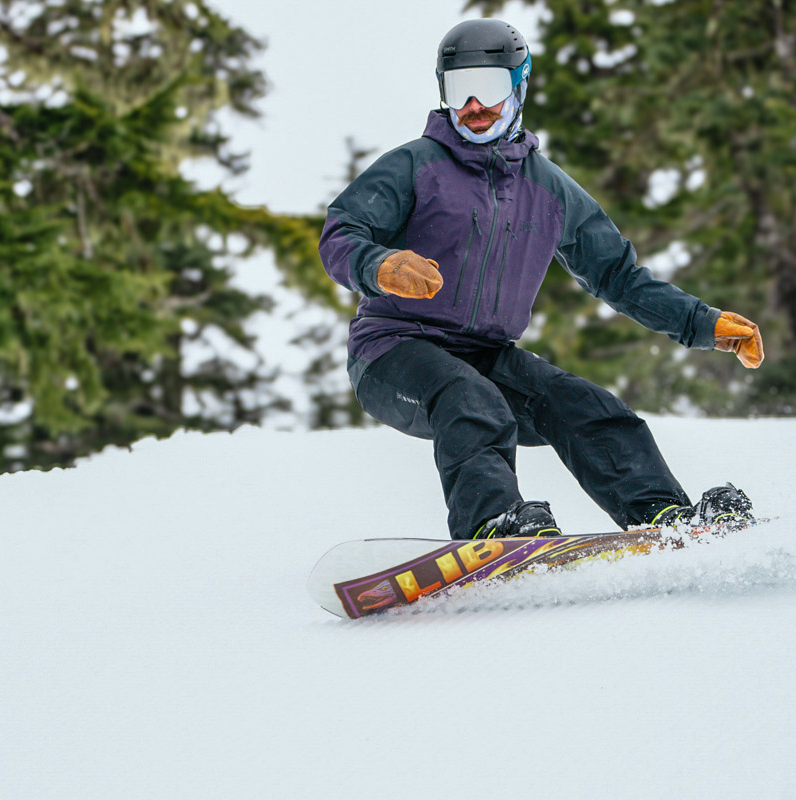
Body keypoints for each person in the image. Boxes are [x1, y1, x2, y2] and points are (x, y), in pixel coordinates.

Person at [318, 19, 764, 540]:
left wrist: (700, 323)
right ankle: (492, 524)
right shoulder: (414, 166)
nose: (473, 106)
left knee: (586, 406)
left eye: (489, 87)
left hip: (485, 354)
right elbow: (340, 232)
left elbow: (616, 275)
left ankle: (663, 518)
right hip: (392, 353)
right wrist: (379, 265)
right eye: (459, 90)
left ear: (519, 86)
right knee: (470, 398)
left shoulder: (549, 190)